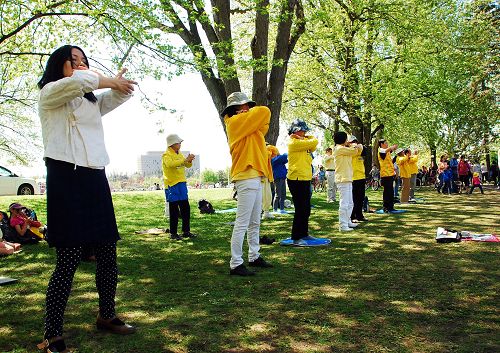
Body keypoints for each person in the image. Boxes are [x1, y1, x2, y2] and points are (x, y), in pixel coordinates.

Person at [37, 45, 137, 352]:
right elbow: (79, 83)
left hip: (95, 176)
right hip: (65, 177)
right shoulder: (49, 93)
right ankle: (52, 332)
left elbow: (115, 96)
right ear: (59, 65)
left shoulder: (90, 100)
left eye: (84, 60)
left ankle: (107, 315)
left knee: (107, 251)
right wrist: (103, 79)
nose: (80, 65)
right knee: (67, 259)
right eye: (73, 60)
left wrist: (121, 85)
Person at [222, 92, 273, 276]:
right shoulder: (234, 123)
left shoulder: (249, 126)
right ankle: (235, 263)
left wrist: (248, 116)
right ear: (233, 110)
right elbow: (264, 111)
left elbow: (264, 122)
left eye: (246, 106)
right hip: (246, 175)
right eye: (241, 107)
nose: (246, 109)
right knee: (242, 223)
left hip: (256, 175)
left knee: (254, 222)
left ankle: (254, 256)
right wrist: (247, 115)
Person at [286, 119, 318, 244]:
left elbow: (314, 145)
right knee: (300, 209)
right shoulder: (293, 143)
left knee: (306, 209)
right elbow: (315, 141)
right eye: (302, 130)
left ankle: (304, 234)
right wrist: (303, 138)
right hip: (296, 179)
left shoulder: (303, 141)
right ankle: (296, 237)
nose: (305, 133)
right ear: (295, 131)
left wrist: (304, 137)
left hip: (305, 178)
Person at [162, 134, 197, 240]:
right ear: (172, 144)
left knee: (185, 208)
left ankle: (186, 231)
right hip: (171, 185)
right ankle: (173, 233)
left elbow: (187, 165)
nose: (180, 144)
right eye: (178, 142)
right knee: (174, 210)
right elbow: (170, 165)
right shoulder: (166, 155)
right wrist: (184, 160)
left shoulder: (180, 154)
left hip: (181, 183)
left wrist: (189, 160)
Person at [333, 132, 363, 231]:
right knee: (344, 203)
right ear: (343, 140)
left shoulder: (345, 149)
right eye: (346, 139)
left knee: (350, 203)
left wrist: (354, 146)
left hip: (348, 178)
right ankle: (343, 225)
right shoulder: (339, 148)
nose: (348, 141)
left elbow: (359, 150)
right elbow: (355, 150)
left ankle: (348, 221)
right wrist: (354, 145)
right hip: (342, 179)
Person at [349, 136, 368, 222]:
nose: (354, 143)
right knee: (353, 198)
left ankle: (359, 215)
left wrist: (359, 145)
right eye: (352, 142)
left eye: (355, 141)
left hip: (361, 177)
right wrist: (354, 146)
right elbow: (354, 150)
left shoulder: (359, 149)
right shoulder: (349, 150)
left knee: (360, 198)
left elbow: (364, 149)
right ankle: (352, 216)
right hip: (353, 177)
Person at [377, 139, 398, 212]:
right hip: (385, 174)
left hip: (390, 174)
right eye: (386, 143)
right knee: (387, 191)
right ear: (382, 144)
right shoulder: (381, 150)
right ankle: (386, 207)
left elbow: (390, 162)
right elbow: (385, 151)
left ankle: (391, 207)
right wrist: (392, 147)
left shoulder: (388, 152)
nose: (387, 144)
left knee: (391, 191)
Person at [271, 148, 288, 213]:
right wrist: (288, 152)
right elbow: (284, 156)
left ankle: (282, 209)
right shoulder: (273, 159)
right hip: (278, 178)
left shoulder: (279, 160)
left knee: (283, 194)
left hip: (282, 178)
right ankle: (275, 209)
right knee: (278, 194)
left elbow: (286, 160)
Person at [262, 144, 276, 219]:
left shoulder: (267, 150)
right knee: (262, 196)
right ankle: (259, 213)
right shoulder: (260, 150)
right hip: (260, 175)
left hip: (266, 176)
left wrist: (267, 145)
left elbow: (275, 151)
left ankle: (266, 212)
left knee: (268, 195)